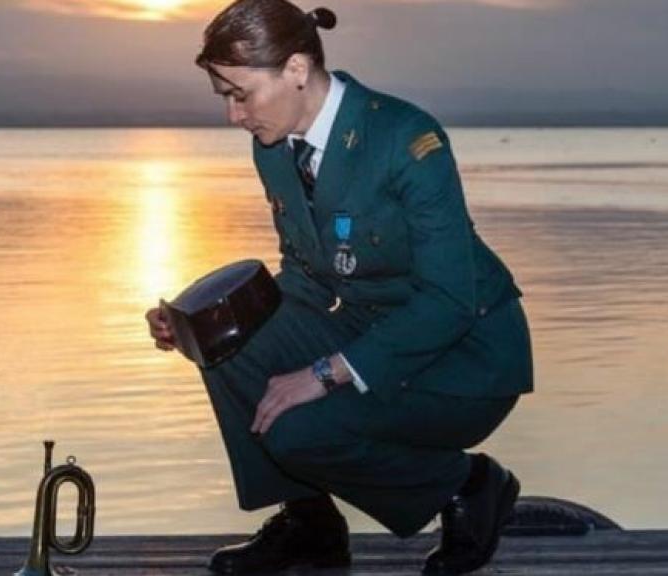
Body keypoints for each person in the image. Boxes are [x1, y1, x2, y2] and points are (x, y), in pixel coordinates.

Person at [145, 1, 533, 574]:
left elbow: (449, 300)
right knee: (225, 338)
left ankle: (468, 486)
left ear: (296, 70)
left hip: (463, 357)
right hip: (368, 324)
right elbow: (306, 274)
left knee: (297, 431)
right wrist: (192, 324)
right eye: (224, 97)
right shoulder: (274, 145)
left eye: (240, 94)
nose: (233, 116)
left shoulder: (406, 139)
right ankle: (311, 526)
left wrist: (326, 372)